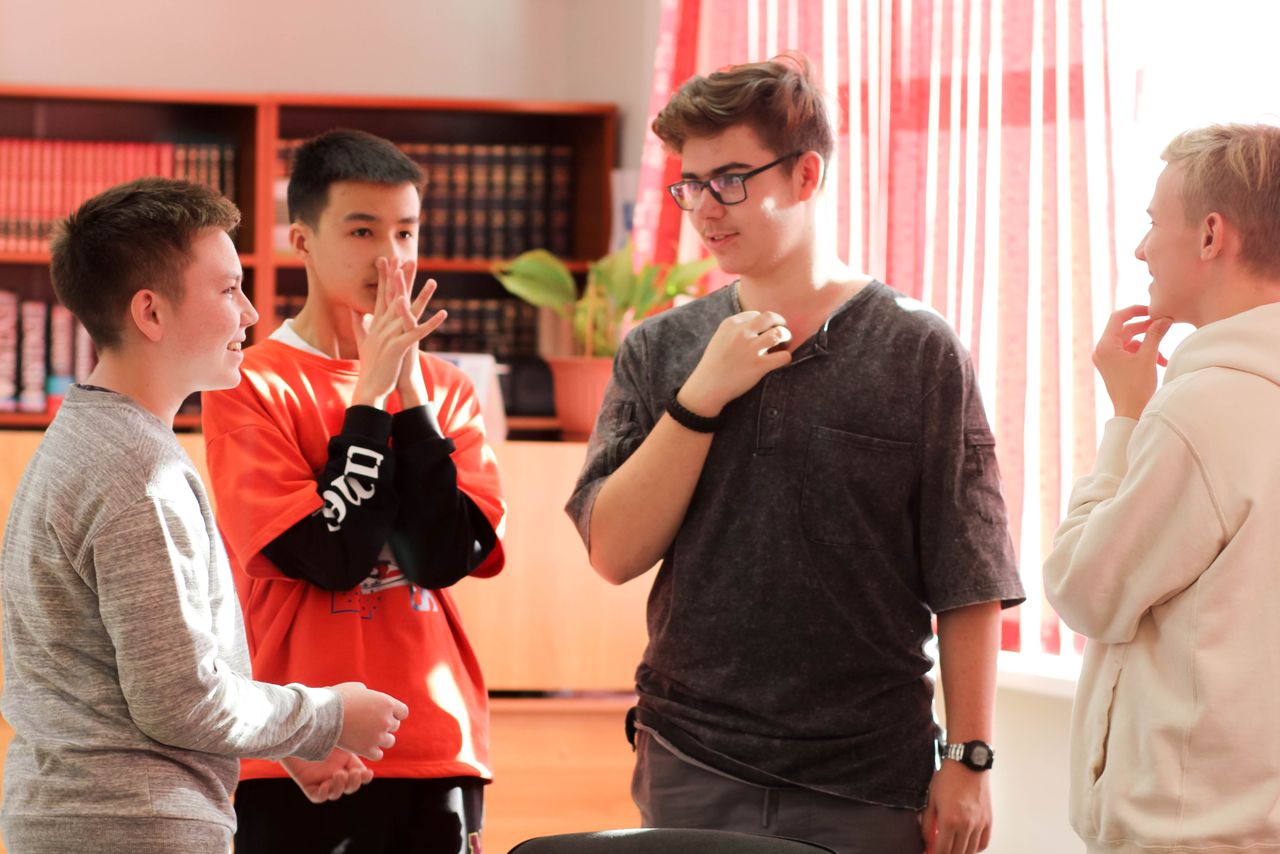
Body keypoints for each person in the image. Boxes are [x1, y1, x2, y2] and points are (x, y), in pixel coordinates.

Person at [565, 54, 1024, 854]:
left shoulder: (918, 349)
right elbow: (613, 551)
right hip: (691, 758)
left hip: (869, 774)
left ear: (806, 174)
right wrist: (700, 398)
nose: (705, 208)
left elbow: (969, 573)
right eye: (690, 184)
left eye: (730, 180)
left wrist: (970, 759)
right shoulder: (660, 348)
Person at [0, 177, 409, 854]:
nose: (250, 312)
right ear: (150, 313)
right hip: (132, 829)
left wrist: (284, 745)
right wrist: (328, 716)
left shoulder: (91, 442)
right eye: (228, 290)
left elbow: (140, 684)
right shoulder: (140, 474)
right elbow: (182, 700)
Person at [201, 128, 506, 854]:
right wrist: (369, 399)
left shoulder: (450, 391)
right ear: (302, 239)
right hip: (298, 749)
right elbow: (330, 556)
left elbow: (441, 558)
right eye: (363, 230)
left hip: (436, 742)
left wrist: (410, 395)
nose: (390, 257)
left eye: (406, 231)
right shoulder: (246, 382)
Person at [1044, 124, 1280, 852]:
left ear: (1211, 234)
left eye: (1153, 223)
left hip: (1189, 832)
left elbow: (1086, 589)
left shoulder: (1204, 407)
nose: (1141, 250)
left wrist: (1126, 415)